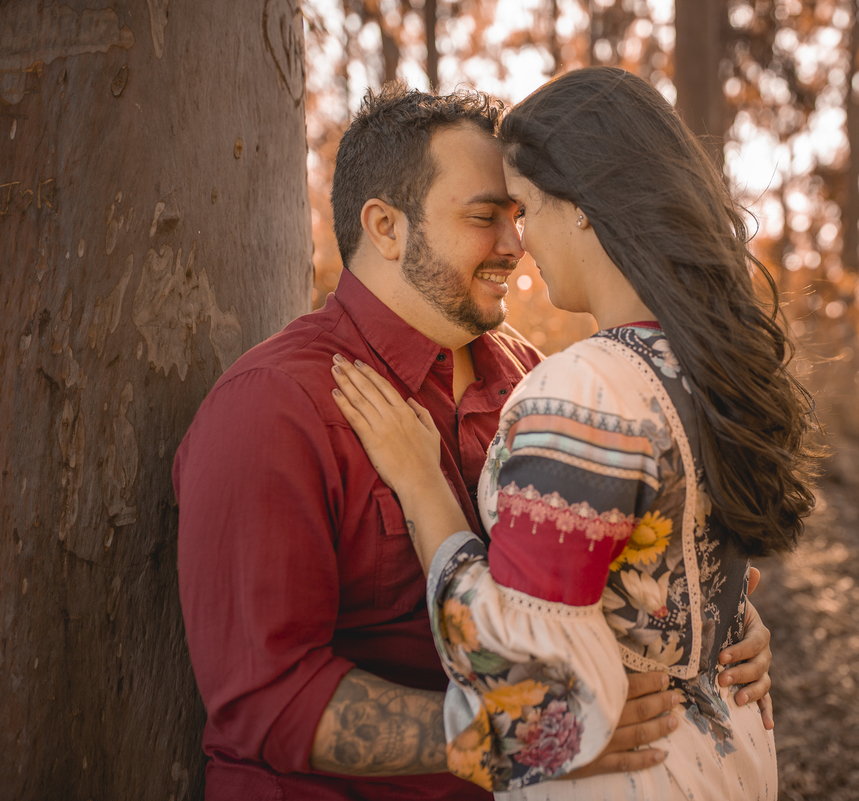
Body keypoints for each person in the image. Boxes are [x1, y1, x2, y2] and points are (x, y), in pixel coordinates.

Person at [173, 82, 775, 801]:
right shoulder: (275, 408)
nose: (515, 245)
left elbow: (626, 567)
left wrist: (718, 632)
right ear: (386, 226)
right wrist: (528, 740)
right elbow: (264, 699)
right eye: (485, 217)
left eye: (519, 214)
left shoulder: (540, 379)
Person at [328, 67, 819, 800]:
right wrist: (726, 630)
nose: (519, 243)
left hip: (626, 776)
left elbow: (532, 679)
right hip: (732, 758)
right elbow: (684, 578)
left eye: (523, 208)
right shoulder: (709, 365)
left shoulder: (581, 392)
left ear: (584, 208)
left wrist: (425, 488)